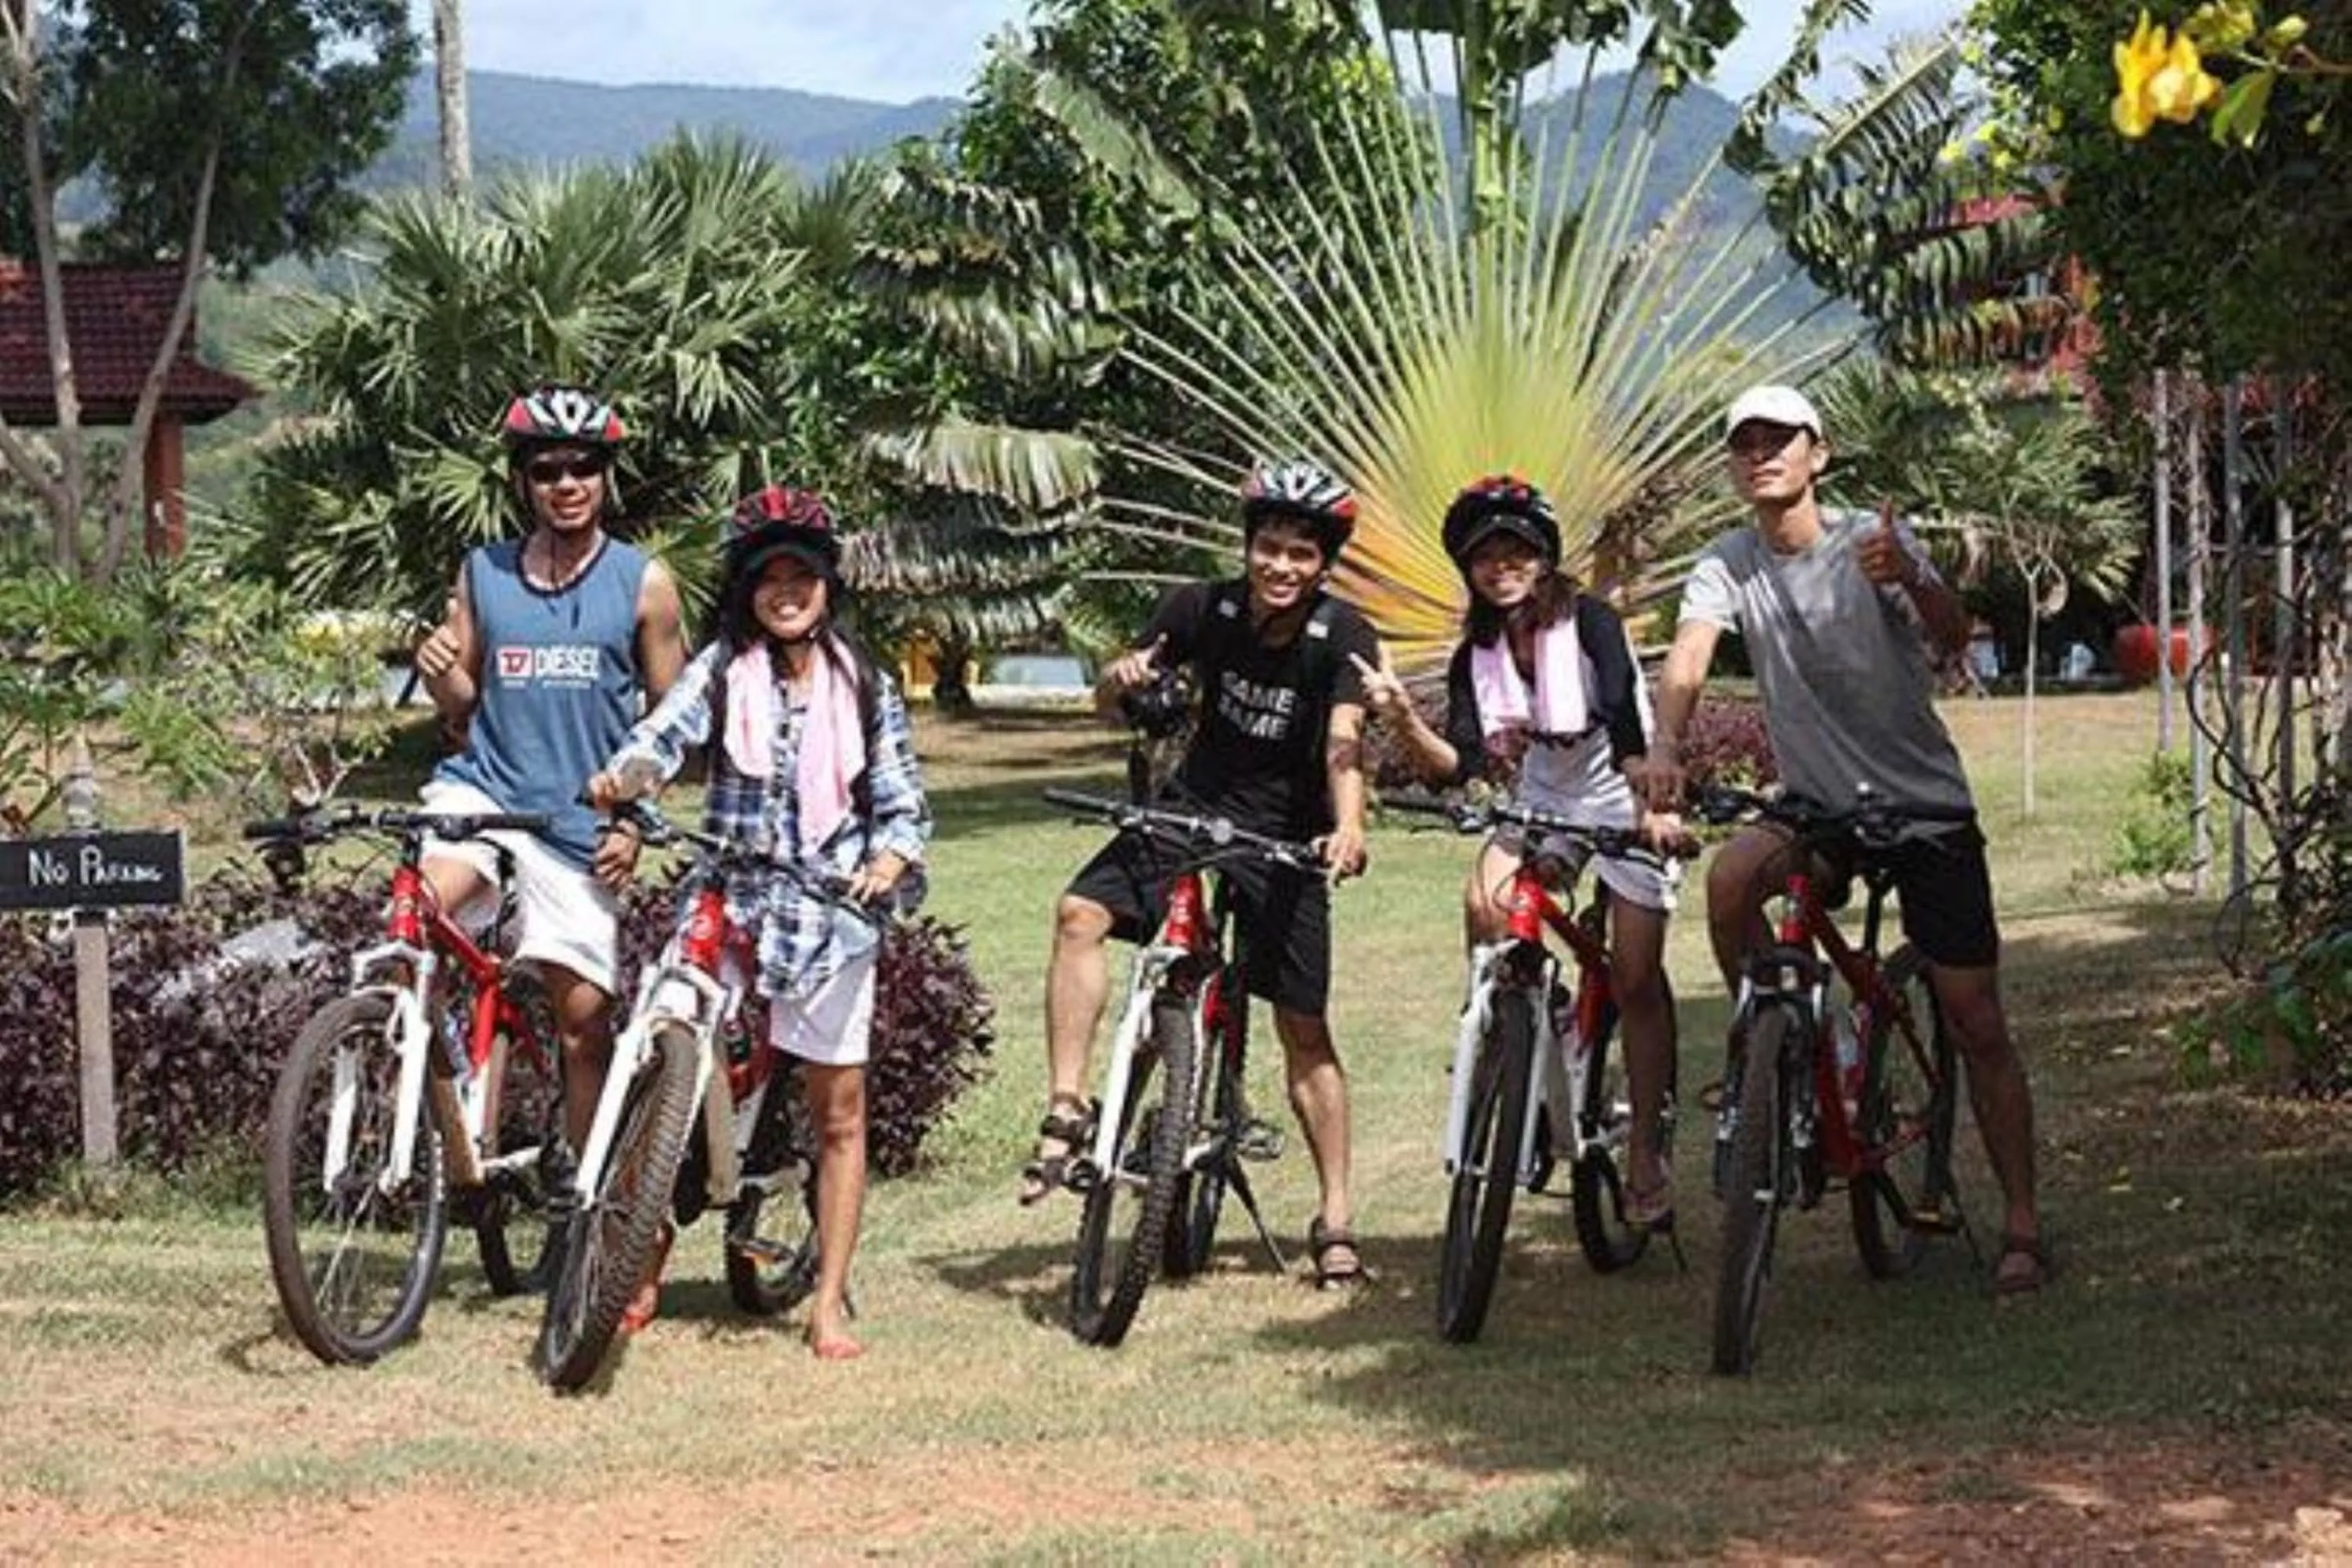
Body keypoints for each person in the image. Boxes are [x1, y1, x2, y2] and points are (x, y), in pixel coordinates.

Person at [1634, 383, 2051, 1296]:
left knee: (1976, 1018)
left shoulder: (1873, 541)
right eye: (1744, 443)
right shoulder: (1729, 560)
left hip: (1923, 806)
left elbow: (1953, 639)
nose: (1761, 455)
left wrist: (1910, 573)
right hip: (1818, 805)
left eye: (1779, 439)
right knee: (1733, 879)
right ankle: (1769, 1047)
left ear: (1817, 453)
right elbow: (1691, 654)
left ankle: (2022, 1221)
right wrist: (1665, 745)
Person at [588, 485, 930, 1361]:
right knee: (661, 1052)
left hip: (828, 912)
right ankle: (642, 1250)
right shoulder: (720, 667)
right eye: (768, 576)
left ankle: (825, 1301)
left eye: (801, 575)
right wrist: (627, 775)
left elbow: (900, 803)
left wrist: (888, 859)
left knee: (839, 1111)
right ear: (745, 589)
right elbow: (662, 735)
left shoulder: (867, 684)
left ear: (825, 586)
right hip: (730, 894)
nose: (786, 591)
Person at [1026, 459, 1379, 1288]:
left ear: (1323, 561)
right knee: (1080, 912)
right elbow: (1119, 699)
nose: (1282, 565)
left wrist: (1351, 823)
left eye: (1301, 552)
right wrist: (1114, 683)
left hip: (1287, 834)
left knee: (1304, 1029)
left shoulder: (1343, 633)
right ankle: (1069, 1104)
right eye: (1269, 547)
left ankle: (1335, 1217)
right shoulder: (1201, 606)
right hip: (1190, 806)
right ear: (1249, 546)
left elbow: (1345, 739)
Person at [1357, 474, 1686, 1229]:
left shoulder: (1592, 622)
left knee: (1636, 975)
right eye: (1484, 555)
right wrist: (1405, 721)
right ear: (1468, 569)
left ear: (1544, 557)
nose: (1501, 565)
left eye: (1517, 550)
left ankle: (1644, 1151)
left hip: (1622, 787)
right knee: (1486, 901)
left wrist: (1653, 809)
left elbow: (1629, 730)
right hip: (1544, 790)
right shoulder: (1475, 649)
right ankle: (1521, 1017)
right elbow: (1463, 765)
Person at [412, 383, 687, 1172]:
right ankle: (440, 1084)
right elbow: (462, 711)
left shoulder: (645, 583)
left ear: (605, 475)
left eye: (583, 468)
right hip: (486, 793)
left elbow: (671, 727)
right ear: (521, 480)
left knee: (583, 1029)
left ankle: (587, 1196)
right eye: (546, 470)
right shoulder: (483, 572)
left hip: (577, 824)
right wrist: (437, 673)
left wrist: (631, 821)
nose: (566, 485)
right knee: (415, 914)